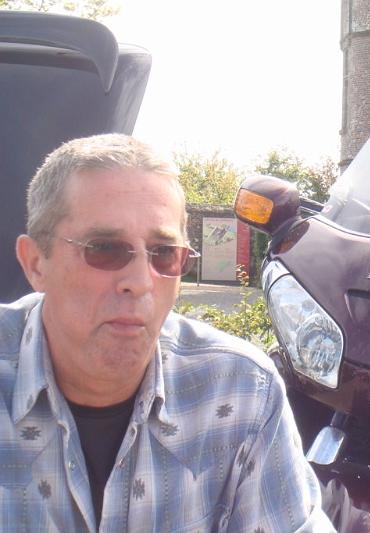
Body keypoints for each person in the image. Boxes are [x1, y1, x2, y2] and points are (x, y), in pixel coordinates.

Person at [2, 134, 334, 531]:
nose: (141, 281)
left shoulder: (240, 391)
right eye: (104, 249)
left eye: (164, 254)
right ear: (35, 263)